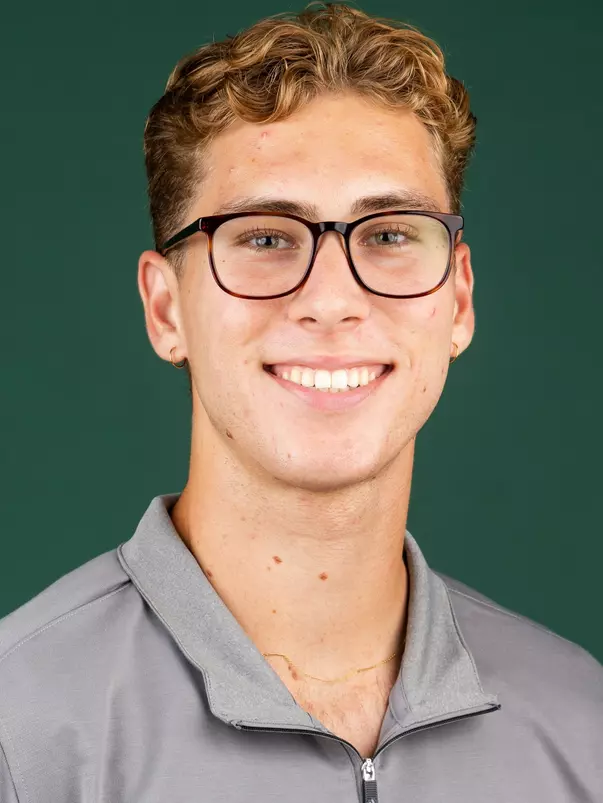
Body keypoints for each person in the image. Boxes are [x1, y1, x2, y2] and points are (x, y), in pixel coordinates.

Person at [1, 3, 602, 801]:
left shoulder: (582, 725)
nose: (330, 300)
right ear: (165, 308)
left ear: (457, 301)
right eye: (263, 236)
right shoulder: (19, 727)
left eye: (389, 234)